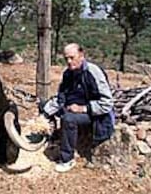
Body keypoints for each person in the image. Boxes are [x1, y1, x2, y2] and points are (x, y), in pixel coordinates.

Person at [40, 43, 115, 173]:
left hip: (96, 114)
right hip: (74, 108)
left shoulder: (93, 72)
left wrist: (83, 108)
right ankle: (51, 137)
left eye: (72, 57)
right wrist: (44, 113)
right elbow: (61, 98)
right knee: (44, 106)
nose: (69, 61)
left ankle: (67, 159)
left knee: (69, 119)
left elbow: (107, 103)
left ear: (81, 55)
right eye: (66, 59)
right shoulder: (68, 74)